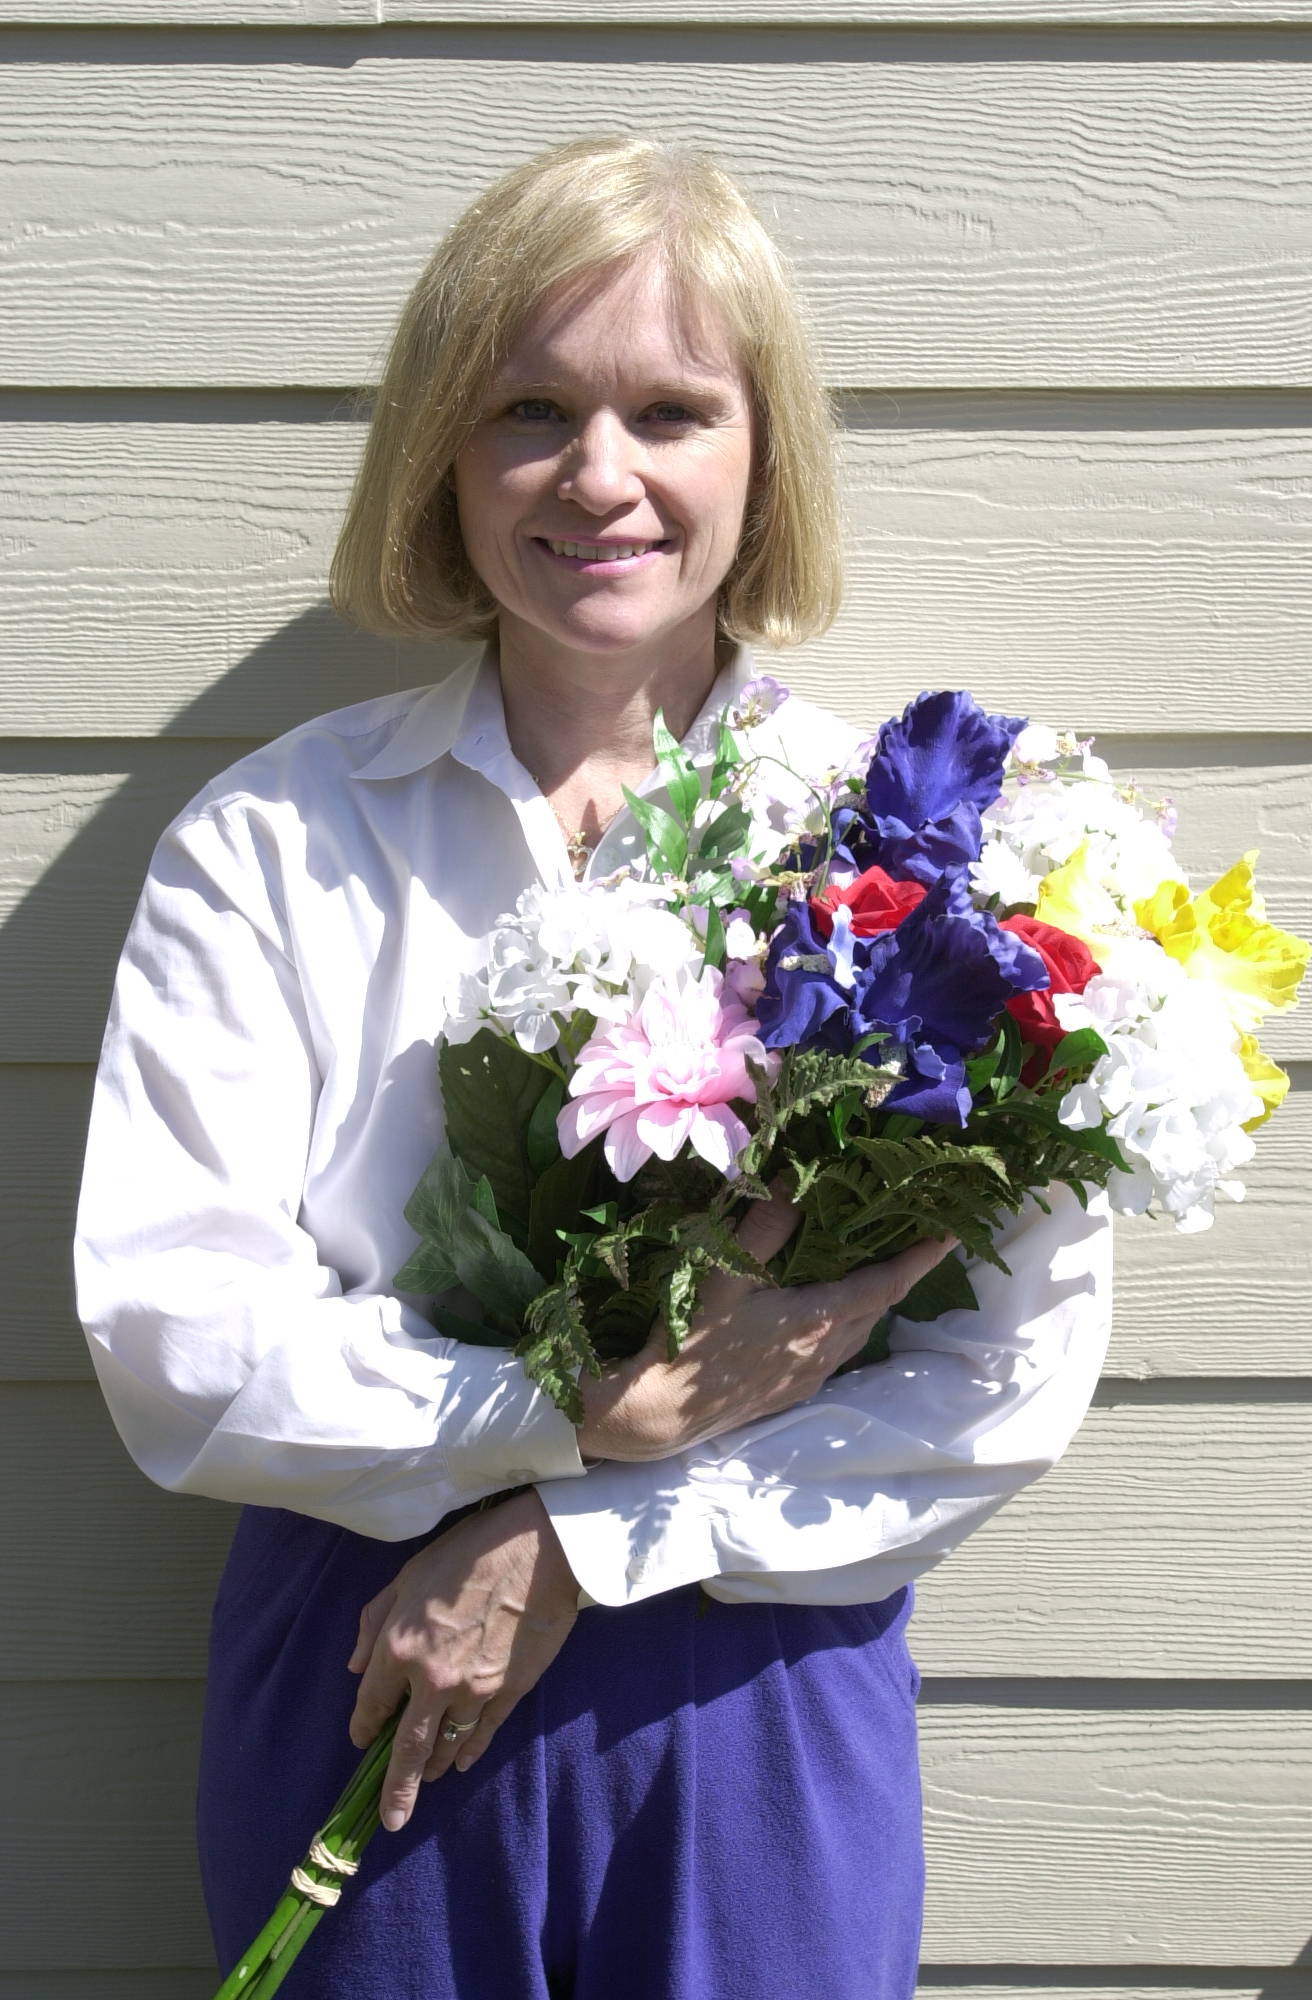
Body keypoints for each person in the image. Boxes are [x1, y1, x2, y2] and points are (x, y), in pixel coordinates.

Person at [75, 138, 1112, 2000]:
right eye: (530, 410)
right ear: (441, 456)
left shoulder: (934, 864)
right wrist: (569, 1418)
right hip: (378, 1652)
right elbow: (178, 1326)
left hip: (756, 1679)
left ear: (762, 456)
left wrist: (591, 1528)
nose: (600, 474)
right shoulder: (276, 842)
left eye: (672, 411)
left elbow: (1003, 1373)